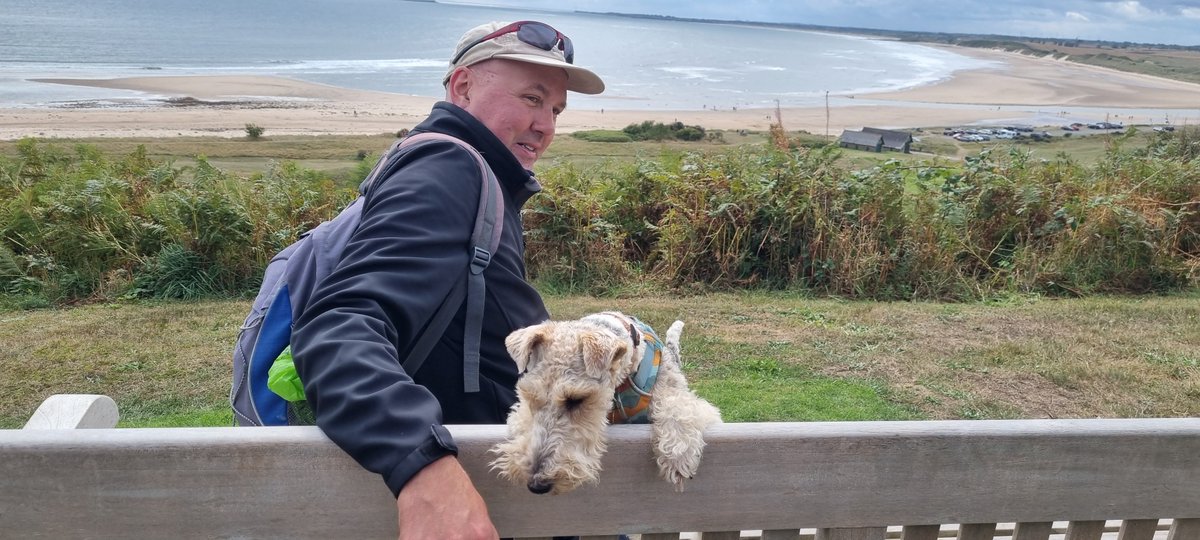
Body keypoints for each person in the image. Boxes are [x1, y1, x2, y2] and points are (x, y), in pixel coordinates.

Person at [289, 20, 605, 539]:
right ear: (462, 86)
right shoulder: (448, 170)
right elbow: (339, 326)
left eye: (555, 110)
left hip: (503, 489)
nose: (545, 125)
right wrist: (424, 469)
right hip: (479, 500)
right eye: (531, 98)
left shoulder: (473, 173)